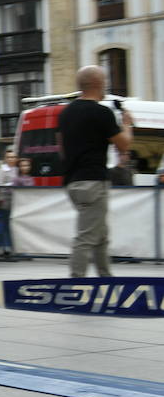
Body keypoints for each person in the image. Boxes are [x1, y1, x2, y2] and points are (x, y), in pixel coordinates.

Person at [59, 66, 132, 277]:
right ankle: (76, 282)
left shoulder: (66, 113)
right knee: (86, 236)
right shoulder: (102, 113)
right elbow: (124, 145)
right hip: (93, 180)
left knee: (100, 234)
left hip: (73, 181)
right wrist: (127, 125)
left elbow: (61, 146)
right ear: (99, 84)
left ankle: (105, 278)